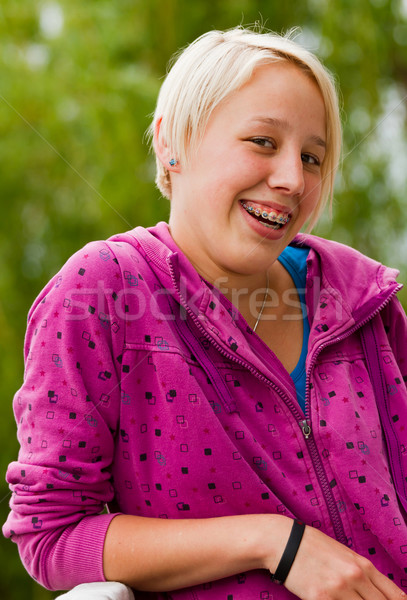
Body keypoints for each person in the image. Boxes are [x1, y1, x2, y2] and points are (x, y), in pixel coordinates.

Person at [3, 26, 407, 600]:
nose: (293, 178)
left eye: (312, 157)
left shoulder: (359, 297)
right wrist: (276, 543)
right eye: (264, 142)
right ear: (174, 141)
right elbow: (51, 537)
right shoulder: (102, 290)